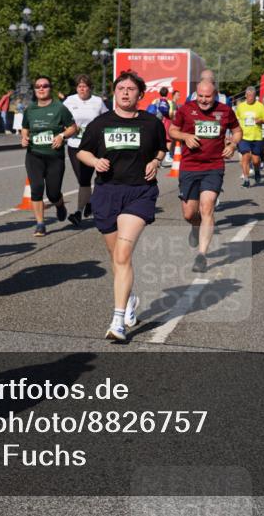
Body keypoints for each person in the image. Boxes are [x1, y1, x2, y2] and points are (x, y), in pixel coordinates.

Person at [77, 70, 166, 341]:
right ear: (114, 93)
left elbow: (161, 149)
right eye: (121, 89)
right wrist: (94, 162)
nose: (125, 93)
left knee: (123, 255)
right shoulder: (101, 123)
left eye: (130, 89)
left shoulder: (151, 123)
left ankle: (117, 322)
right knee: (116, 256)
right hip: (107, 192)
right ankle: (128, 299)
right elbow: (82, 150)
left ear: (140, 94)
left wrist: (156, 162)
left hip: (139, 192)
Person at [169, 80, 242, 273]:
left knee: (207, 207)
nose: (203, 100)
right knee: (189, 213)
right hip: (189, 167)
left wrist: (232, 145)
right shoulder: (186, 109)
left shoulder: (225, 111)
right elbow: (172, 130)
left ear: (215, 95)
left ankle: (201, 255)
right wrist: (185, 137)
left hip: (213, 166)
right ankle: (196, 226)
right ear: (196, 94)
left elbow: (237, 131)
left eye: (207, 96)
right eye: (200, 95)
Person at [22, 75, 77, 236]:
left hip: (54, 156)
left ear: (50, 89)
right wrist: (24, 137)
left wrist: (62, 136)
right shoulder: (30, 109)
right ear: (34, 89)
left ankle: (59, 204)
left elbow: (73, 128)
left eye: (45, 86)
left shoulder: (59, 108)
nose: (41, 88)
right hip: (34, 155)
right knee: (37, 188)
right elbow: (25, 127)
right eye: (38, 86)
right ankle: (40, 224)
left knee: (53, 193)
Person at [63, 74, 108, 226]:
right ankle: (87, 204)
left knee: (91, 179)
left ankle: (78, 211)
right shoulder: (69, 101)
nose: (82, 89)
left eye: (85, 86)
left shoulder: (97, 102)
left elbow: (107, 118)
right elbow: (61, 119)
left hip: (93, 147)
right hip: (75, 145)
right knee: (83, 180)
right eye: (79, 86)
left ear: (90, 88)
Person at [234, 86, 264, 187]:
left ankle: (257, 171)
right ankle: (246, 180)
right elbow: (236, 119)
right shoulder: (241, 107)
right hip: (244, 136)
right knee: (245, 157)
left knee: (256, 160)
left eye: (252, 96)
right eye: (248, 95)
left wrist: (260, 120)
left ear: (255, 96)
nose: (250, 97)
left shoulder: (260, 106)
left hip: (257, 137)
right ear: (245, 95)